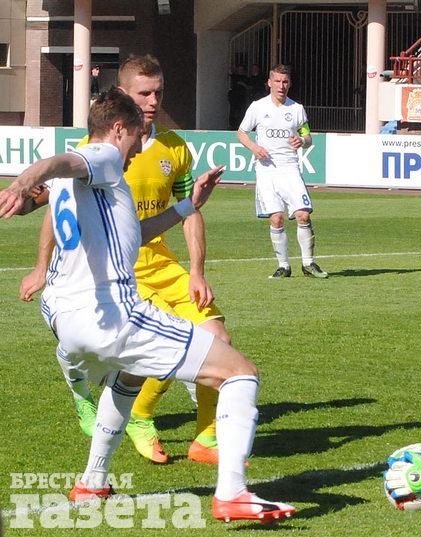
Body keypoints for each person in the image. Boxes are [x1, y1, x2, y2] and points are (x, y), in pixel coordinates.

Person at [0, 87, 296, 523]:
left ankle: (92, 482)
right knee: (240, 374)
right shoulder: (102, 155)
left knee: (131, 375)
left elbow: (131, 233)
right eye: (137, 137)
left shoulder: (83, 183)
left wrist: (187, 206)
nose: (139, 149)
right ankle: (232, 493)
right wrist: (22, 181)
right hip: (113, 316)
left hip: (64, 316)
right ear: (119, 128)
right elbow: (60, 161)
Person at [19, 54, 231, 465]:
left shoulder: (175, 147)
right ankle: (138, 416)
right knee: (155, 349)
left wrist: (197, 271)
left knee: (217, 336)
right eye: (144, 93)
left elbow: (190, 209)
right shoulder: (97, 151)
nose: (153, 101)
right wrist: (41, 267)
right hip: (117, 271)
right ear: (121, 95)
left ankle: (207, 438)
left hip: (162, 262)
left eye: (158, 92)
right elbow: (56, 207)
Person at [237, 64, 327, 279]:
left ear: (290, 84)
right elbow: (241, 133)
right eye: (277, 81)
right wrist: (254, 148)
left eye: (285, 81)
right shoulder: (258, 107)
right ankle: (283, 266)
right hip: (266, 170)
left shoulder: (296, 109)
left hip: (290, 168)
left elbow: (308, 136)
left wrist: (302, 141)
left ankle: (308, 264)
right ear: (269, 83)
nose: (281, 86)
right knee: (276, 219)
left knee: (303, 214)